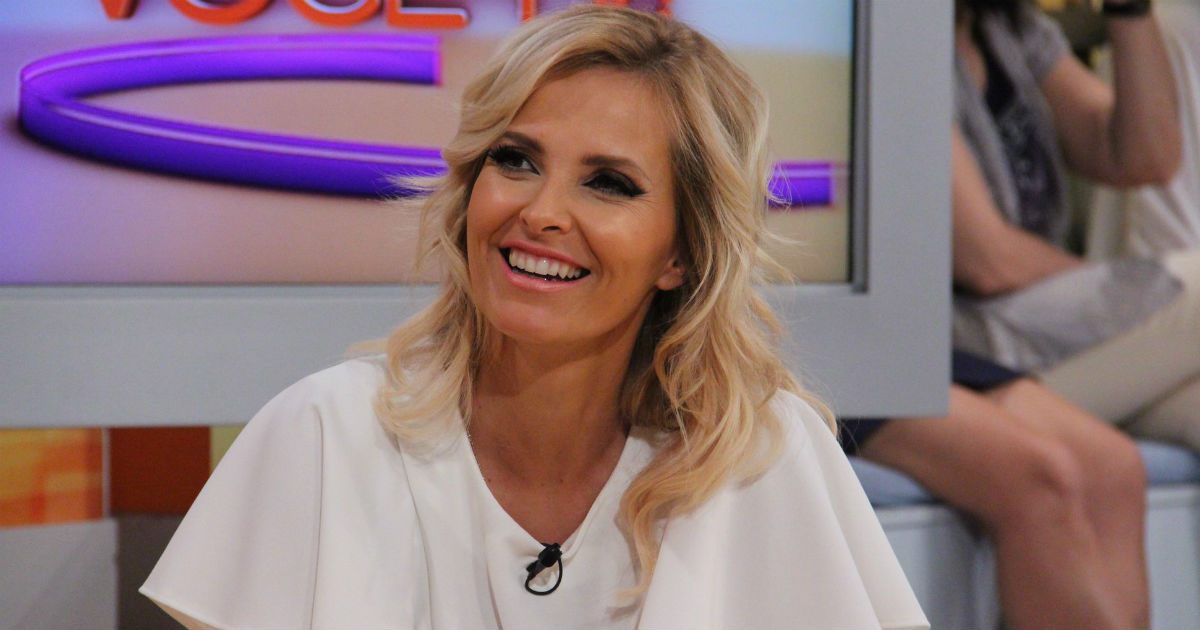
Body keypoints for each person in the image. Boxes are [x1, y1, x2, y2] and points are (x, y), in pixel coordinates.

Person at [139, 5, 927, 629]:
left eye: (608, 183)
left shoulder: (762, 456)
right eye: (515, 160)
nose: (542, 212)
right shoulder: (323, 433)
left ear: (681, 254)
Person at [847, 0, 1199, 627]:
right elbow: (989, 261)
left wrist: (1128, 10)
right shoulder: (890, 32)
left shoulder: (1010, 29)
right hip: (930, 335)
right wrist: (1122, 288)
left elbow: (1145, 159)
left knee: (1117, 468)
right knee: (1043, 476)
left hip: (1026, 329)